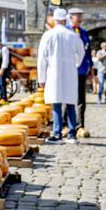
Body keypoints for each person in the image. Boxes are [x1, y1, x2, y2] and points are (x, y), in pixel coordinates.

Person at [37, 9, 85, 143]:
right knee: (70, 103)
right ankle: (72, 134)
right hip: (70, 72)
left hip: (53, 72)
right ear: (66, 19)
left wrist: (41, 78)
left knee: (56, 103)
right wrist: (76, 63)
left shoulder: (48, 35)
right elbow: (81, 53)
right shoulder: (73, 35)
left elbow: (42, 58)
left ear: (54, 20)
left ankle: (57, 133)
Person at [67, 8, 91, 136]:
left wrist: (90, 68)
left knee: (81, 99)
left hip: (82, 70)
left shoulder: (84, 33)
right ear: (71, 17)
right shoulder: (66, 33)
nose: (80, 18)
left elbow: (88, 52)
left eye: (81, 16)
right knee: (68, 98)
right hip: (69, 70)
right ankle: (66, 125)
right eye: (78, 16)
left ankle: (80, 126)